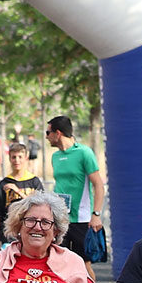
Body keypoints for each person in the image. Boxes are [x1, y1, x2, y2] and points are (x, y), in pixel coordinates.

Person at [45, 116, 105, 271]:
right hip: (60, 218)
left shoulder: (84, 153)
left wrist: (96, 214)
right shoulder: (55, 156)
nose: (46, 137)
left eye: (48, 132)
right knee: (58, 262)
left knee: (83, 265)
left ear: (58, 133)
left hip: (81, 219)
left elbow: (98, 184)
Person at [0, 142, 44, 238]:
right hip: (9, 233)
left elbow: (40, 207)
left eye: (20, 157)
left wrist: (18, 191)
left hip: (31, 230)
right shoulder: (4, 183)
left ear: (26, 157)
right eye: (14, 157)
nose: (17, 160)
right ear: (9, 159)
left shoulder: (34, 181)